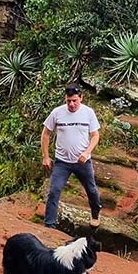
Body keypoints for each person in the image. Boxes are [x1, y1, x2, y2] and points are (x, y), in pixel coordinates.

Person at [41, 83, 102, 228]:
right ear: (65, 99)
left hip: (82, 162)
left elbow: (95, 136)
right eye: (69, 101)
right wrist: (45, 156)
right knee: (54, 190)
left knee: (91, 189)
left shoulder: (88, 112)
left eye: (75, 100)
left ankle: (95, 213)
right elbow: (46, 134)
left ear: (81, 98)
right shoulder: (57, 113)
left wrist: (87, 152)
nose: (72, 104)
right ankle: (49, 225)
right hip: (62, 162)